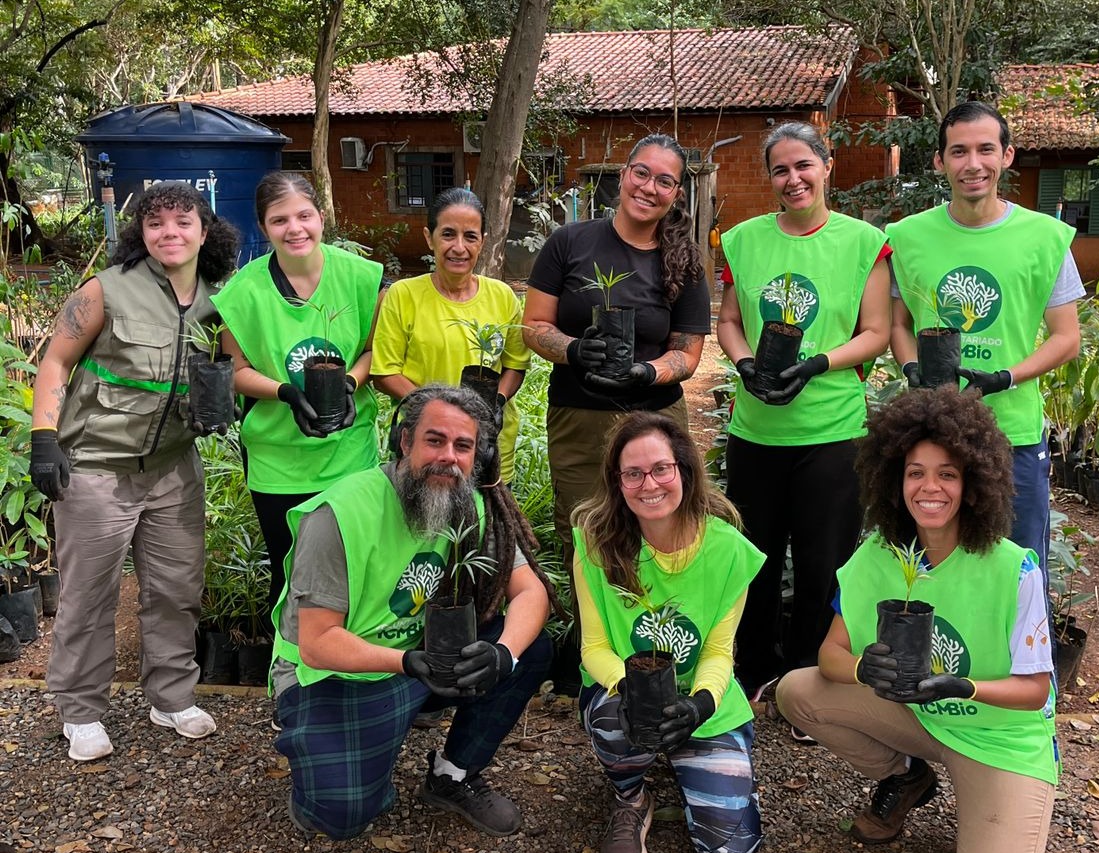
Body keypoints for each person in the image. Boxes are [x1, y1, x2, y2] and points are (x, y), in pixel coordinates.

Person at [775, 385, 1059, 853]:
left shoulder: (1011, 569)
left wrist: (960, 685)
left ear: (974, 482)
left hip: (998, 738)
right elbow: (831, 654)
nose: (929, 487)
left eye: (948, 474)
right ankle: (906, 777)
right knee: (797, 690)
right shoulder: (882, 554)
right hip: (919, 720)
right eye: (914, 473)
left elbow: (1035, 691)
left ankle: (992, 808)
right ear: (893, 479)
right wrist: (865, 671)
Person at [270, 384, 557, 839]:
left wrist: (502, 654)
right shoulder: (341, 513)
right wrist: (405, 662)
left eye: (463, 446)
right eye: (434, 440)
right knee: (341, 817)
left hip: (422, 662)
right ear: (405, 442)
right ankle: (336, 751)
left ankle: (453, 775)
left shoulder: (471, 505)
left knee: (529, 648)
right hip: (337, 673)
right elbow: (317, 643)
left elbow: (531, 593)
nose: (449, 456)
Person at [29, 182, 240, 761]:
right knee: (88, 595)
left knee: (175, 590)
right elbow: (55, 361)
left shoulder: (221, 299)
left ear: (204, 230)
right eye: (156, 223)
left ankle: (171, 697)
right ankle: (80, 711)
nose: (169, 233)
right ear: (140, 233)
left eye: (182, 222)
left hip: (174, 468)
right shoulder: (105, 290)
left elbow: (231, 370)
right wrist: (43, 439)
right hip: (97, 467)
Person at [716, 121, 891, 699]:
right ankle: (751, 673)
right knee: (754, 562)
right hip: (756, 432)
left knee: (825, 566)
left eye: (803, 166)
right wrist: (743, 364)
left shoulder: (865, 243)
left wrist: (819, 363)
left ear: (827, 165)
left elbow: (876, 333)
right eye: (780, 170)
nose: (793, 179)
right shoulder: (742, 240)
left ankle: (809, 681)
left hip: (832, 433)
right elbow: (730, 323)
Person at [887, 100, 1084, 590]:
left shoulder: (1045, 239)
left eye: (985, 150)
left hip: (1011, 434)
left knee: (1020, 575)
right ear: (939, 161)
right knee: (929, 577)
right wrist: (912, 369)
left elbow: (1067, 338)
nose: (972, 164)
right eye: (958, 151)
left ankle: (1029, 670)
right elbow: (897, 325)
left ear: (1007, 155)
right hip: (931, 434)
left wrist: (1006, 377)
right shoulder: (907, 236)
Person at [572, 412, 766, 853]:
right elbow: (594, 647)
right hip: (624, 696)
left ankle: (700, 760)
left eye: (661, 468)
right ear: (617, 482)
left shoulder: (728, 550)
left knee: (732, 852)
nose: (649, 484)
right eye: (632, 473)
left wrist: (700, 704)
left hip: (701, 696)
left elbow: (720, 651)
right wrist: (633, 689)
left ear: (683, 469)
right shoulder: (596, 543)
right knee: (613, 720)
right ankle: (632, 797)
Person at [523, 133, 710, 559]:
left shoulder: (684, 259)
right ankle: (589, 625)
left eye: (664, 181)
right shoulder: (568, 242)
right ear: (624, 174)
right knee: (583, 531)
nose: (649, 187)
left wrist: (647, 371)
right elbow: (533, 325)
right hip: (579, 416)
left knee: (659, 526)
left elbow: (688, 353)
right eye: (641, 173)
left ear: (676, 193)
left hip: (656, 416)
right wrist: (573, 350)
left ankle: (655, 621)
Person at [214, 171, 385, 617]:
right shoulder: (242, 292)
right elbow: (235, 370)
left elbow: (371, 349)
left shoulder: (360, 278)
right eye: (279, 220)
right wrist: (285, 391)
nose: (295, 229)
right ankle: (290, 677)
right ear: (263, 227)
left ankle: (352, 670)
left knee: (355, 565)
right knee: (289, 572)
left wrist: (349, 382)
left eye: (304, 215)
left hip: (349, 450)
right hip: (278, 458)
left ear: (322, 217)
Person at [371, 188, 530, 483]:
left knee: (487, 523)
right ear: (429, 237)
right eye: (447, 234)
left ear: (483, 241)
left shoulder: (503, 297)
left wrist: (497, 401)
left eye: (470, 236)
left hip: (488, 442)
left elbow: (515, 365)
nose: (459, 247)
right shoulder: (403, 296)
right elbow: (384, 372)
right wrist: (439, 412)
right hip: (426, 442)